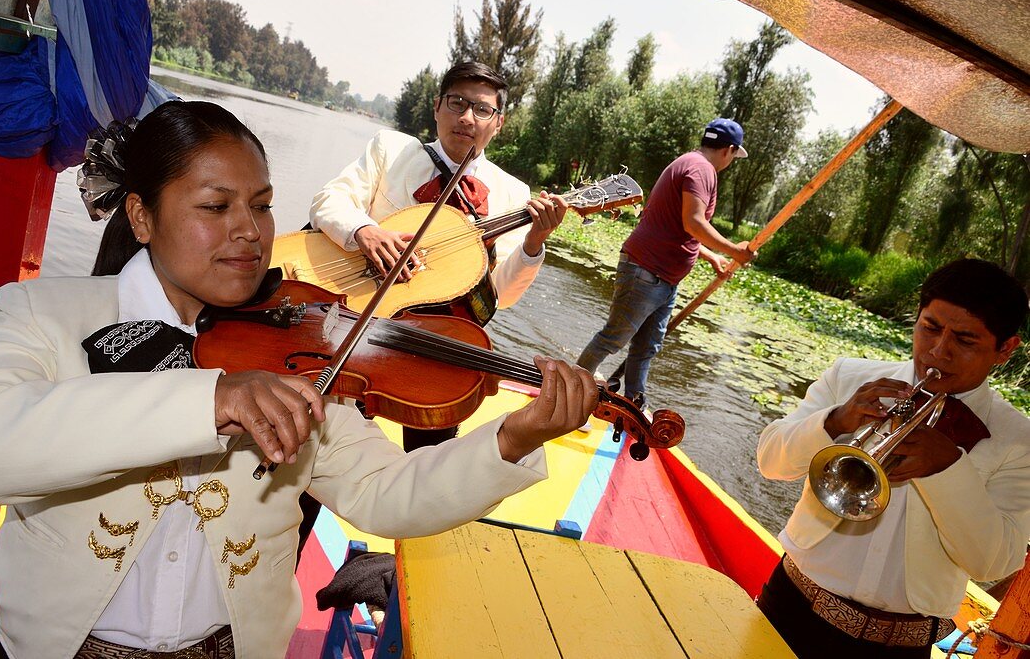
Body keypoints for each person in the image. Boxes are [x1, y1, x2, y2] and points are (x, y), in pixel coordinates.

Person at [0, 101, 598, 659]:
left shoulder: (305, 344)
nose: (250, 232)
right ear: (141, 217)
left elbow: (385, 493)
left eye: (262, 205)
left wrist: (511, 441)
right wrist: (210, 397)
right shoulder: (44, 314)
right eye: (216, 206)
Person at [756, 258, 1030, 659]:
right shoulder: (849, 377)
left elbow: (994, 564)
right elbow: (770, 462)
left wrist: (947, 469)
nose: (939, 351)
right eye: (930, 328)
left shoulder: (1018, 439)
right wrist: (834, 421)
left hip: (899, 646)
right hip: (789, 606)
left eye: (965, 341)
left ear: (1005, 349)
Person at [309, 61, 569, 451]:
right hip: (360, 323)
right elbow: (330, 200)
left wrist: (535, 240)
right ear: (436, 107)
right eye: (456, 103)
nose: (466, 117)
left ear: (499, 122)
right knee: (323, 445)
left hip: (440, 344)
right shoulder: (390, 150)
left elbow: (503, 294)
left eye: (482, 109)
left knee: (430, 463)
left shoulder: (512, 192)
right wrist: (366, 232)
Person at [576, 118, 755, 409]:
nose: (733, 160)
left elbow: (677, 227)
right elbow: (693, 221)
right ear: (730, 150)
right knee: (613, 337)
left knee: (646, 347)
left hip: (664, 278)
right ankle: (571, 390)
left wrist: (711, 256)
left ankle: (633, 405)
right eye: (735, 155)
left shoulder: (693, 164)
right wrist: (735, 249)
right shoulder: (700, 169)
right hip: (647, 271)